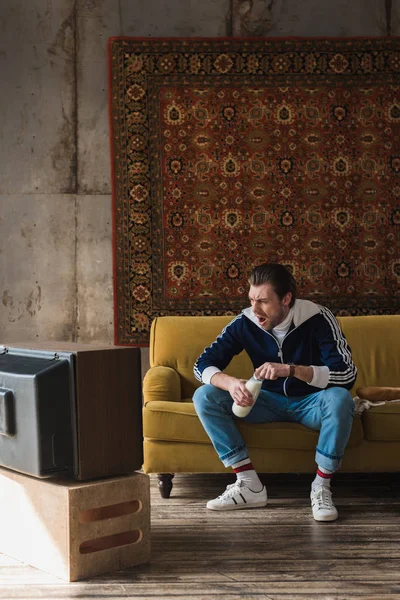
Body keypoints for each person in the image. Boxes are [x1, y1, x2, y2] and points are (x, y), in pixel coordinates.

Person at [193, 263, 357, 522]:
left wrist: (291, 370)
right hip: (264, 401)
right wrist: (231, 384)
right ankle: (249, 484)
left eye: (263, 302)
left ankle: (321, 487)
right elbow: (201, 365)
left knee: (340, 398)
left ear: (286, 299)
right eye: (251, 300)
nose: (255, 310)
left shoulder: (318, 318)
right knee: (204, 396)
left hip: (310, 403)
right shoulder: (245, 322)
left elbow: (346, 374)